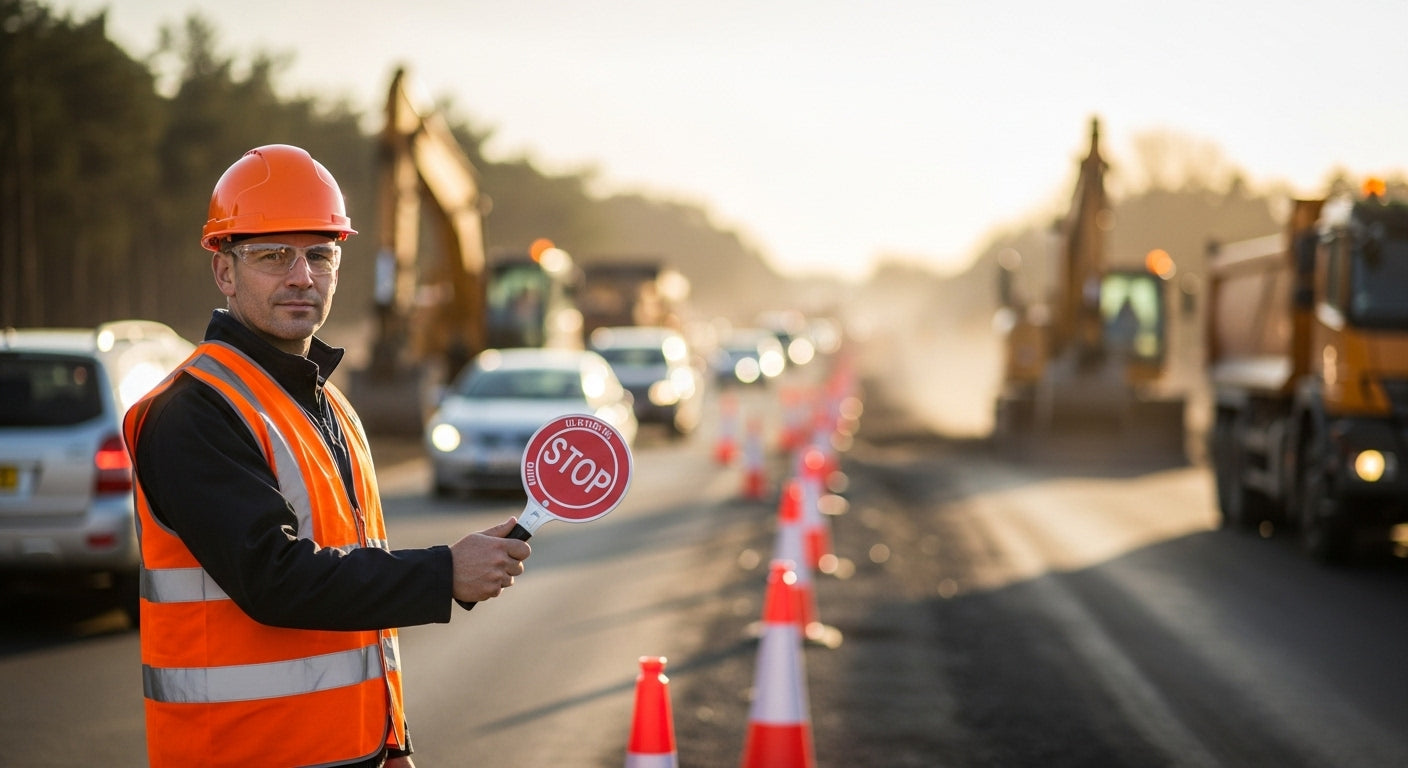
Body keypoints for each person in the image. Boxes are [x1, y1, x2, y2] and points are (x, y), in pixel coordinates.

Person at [124, 144, 532, 768]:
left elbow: (353, 580)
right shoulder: (194, 411)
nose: (301, 276)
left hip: (348, 752)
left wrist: (390, 740)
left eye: (320, 255)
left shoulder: (330, 405)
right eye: (272, 256)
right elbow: (275, 579)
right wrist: (443, 572)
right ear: (224, 272)